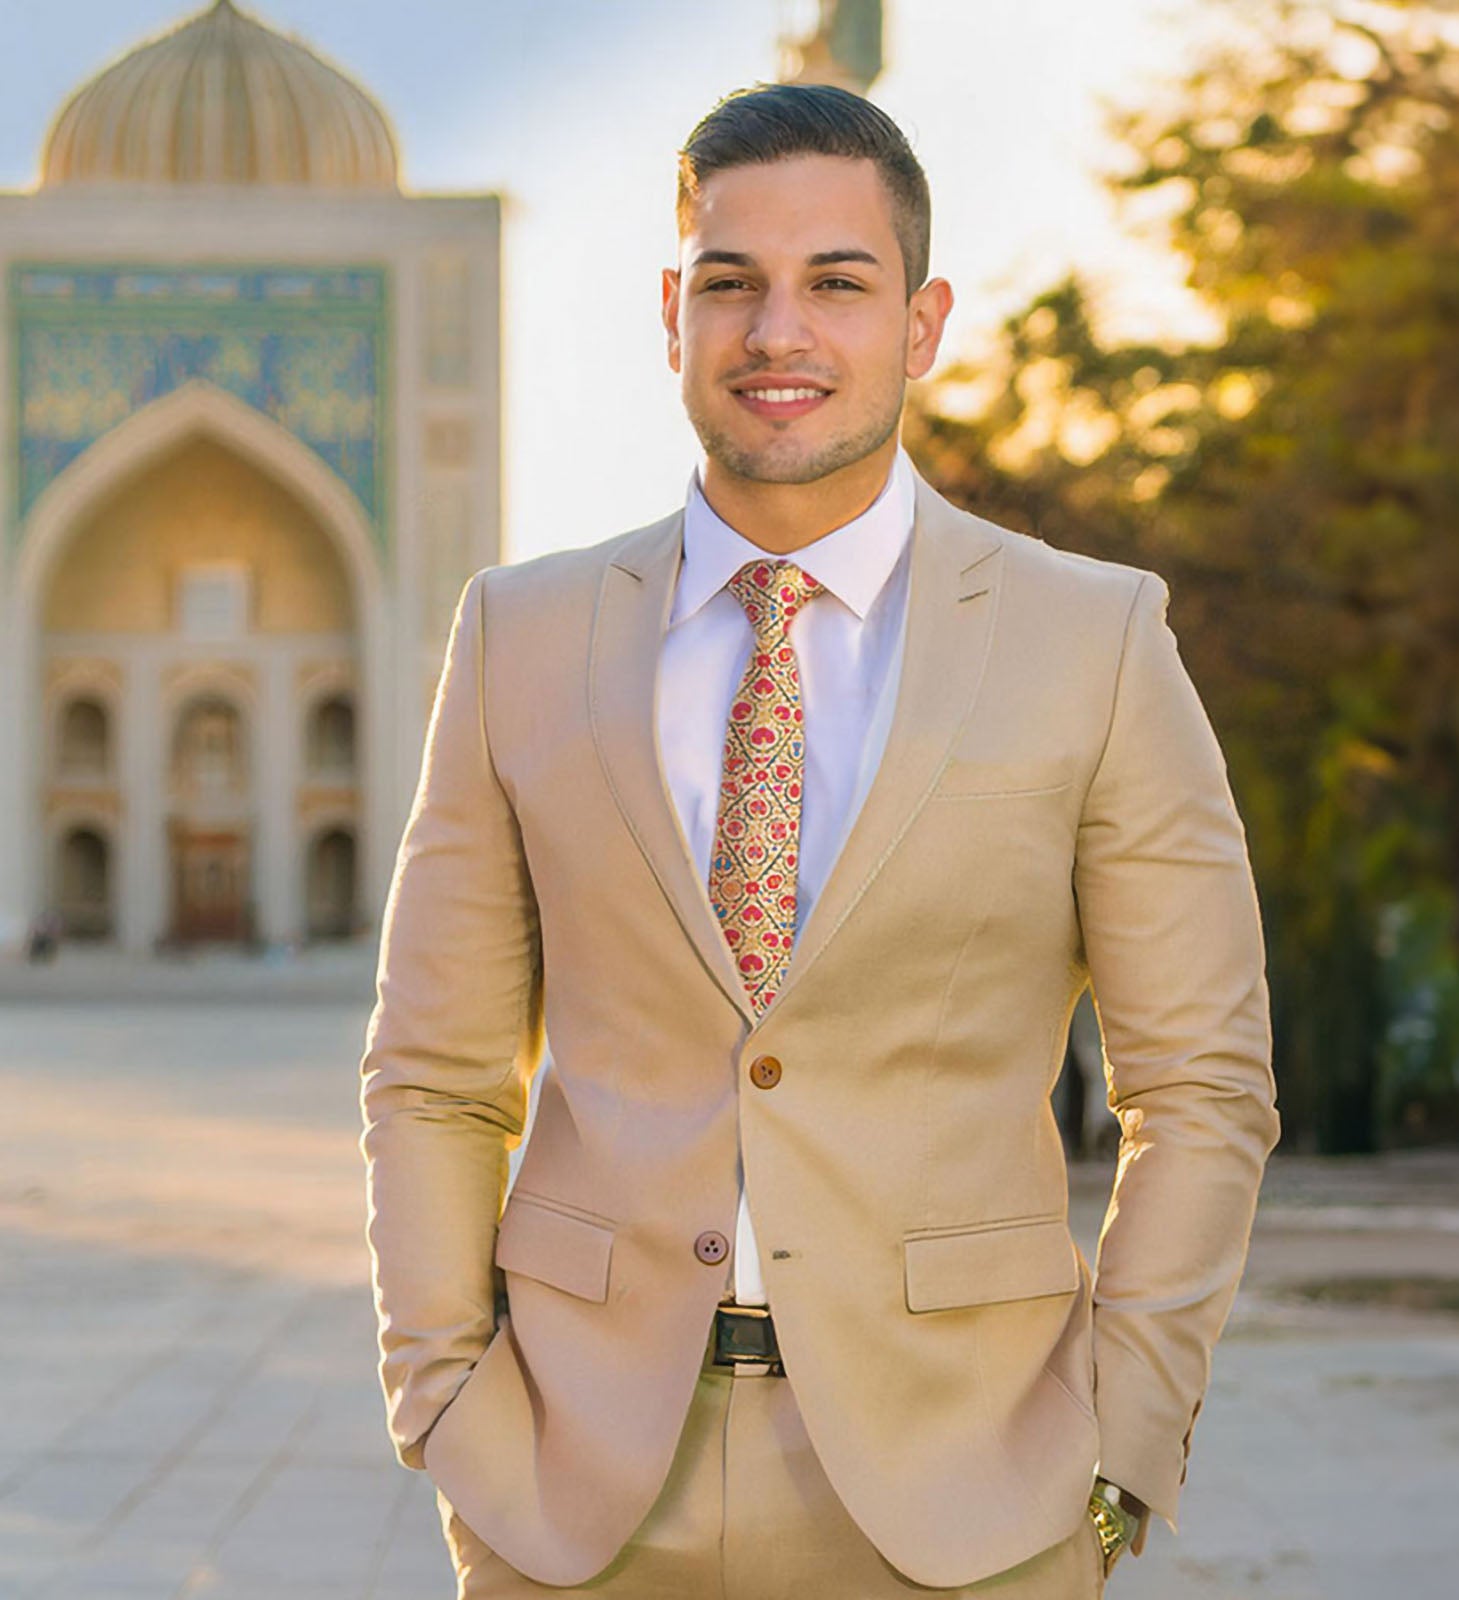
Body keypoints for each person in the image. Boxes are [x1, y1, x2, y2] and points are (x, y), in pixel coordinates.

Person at [360, 81, 1280, 1599]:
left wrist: (1121, 1444)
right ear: (674, 314)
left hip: (970, 1493)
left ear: (921, 324)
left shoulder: (1093, 640)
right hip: (579, 1494)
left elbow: (1204, 1085)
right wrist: (446, 1404)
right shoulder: (519, 636)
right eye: (732, 284)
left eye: (836, 283)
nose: (777, 331)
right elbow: (435, 1076)